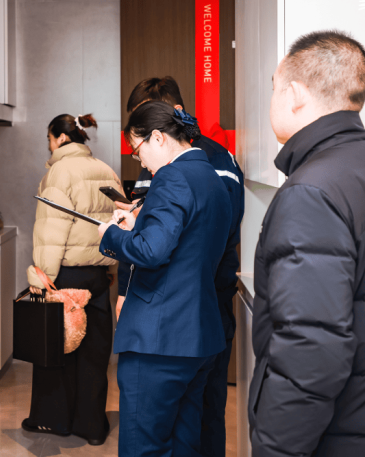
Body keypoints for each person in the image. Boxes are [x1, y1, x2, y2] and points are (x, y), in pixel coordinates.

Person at [249, 30, 365, 456]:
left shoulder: (311, 192)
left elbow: (309, 351)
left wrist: (275, 450)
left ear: (295, 94)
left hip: (345, 437)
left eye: (275, 88)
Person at [116, 76, 244, 457]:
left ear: (159, 134)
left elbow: (154, 250)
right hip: (199, 326)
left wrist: (114, 235)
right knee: (187, 438)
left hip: (164, 330)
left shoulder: (173, 174)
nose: (139, 160)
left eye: (137, 149)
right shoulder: (207, 172)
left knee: (146, 443)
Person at [22, 113, 122, 446]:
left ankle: (54, 421)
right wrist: (109, 270)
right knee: (95, 352)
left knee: (57, 349)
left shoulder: (58, 173)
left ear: (61, 138)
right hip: (97, 276)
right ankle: (92, 426)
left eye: (49, 139)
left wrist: (42, 277)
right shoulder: (106, 170)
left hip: (65, 274)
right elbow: (118, 224)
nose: (49, 146)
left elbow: (52, 232)